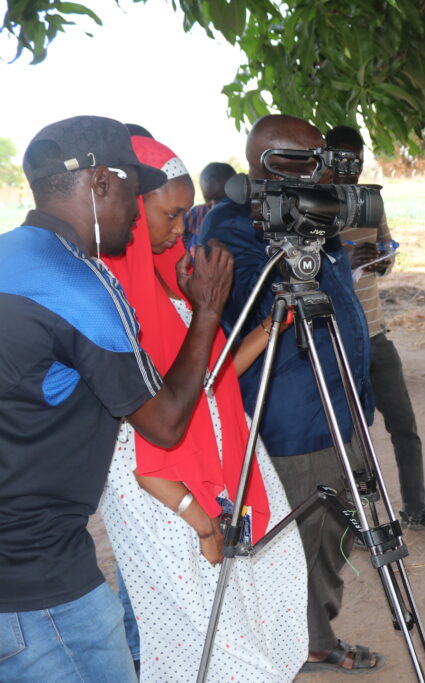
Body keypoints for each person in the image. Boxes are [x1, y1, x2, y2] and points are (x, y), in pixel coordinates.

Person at [0, 115, 232, 680]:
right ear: (101, 182)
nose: (136, 209)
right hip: (42, 587)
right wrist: (206, 311)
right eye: (134, 190)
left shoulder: (10, 256)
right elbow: (165, 423)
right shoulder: (79, 286)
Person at [100, 136, 307, 681]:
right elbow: (153, 426)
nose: (181, 229)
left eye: (184, 214)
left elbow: (210, 380)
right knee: (202, 632)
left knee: (250, 603)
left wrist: (270, 324)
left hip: (213, 464)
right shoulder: (112, 294)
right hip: (163, 490)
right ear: (132, 206)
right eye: (169, 215)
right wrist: (200, 520)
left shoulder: (173, 271)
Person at [199, 114, 385, 675]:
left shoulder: (317, 217)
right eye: (314, 159)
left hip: (344, 407)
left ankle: (314, 638)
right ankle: (287, 650)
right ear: (275, 163)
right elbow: (262, 308)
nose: (327, 169)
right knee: (294, 546)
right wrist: (295, 241)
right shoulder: (233, 226)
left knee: (337, 535)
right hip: (295, 421)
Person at [324, 123, 425, 536]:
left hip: (375, 334)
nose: (351, 169)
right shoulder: (312, 206)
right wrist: (343, 259)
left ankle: (415, 509)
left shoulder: (370, 204)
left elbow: (386, 251)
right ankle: (355, 525)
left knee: (404, 426)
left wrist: (381, 259)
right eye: (343, 160)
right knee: (346, 436)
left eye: (358, 161)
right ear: (326, 159)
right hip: (332, 339)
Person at [183, 162, 235, 248]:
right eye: (208, 199)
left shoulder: (244, 218)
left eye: (221, 199)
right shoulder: (195, 214)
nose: (213, 205)